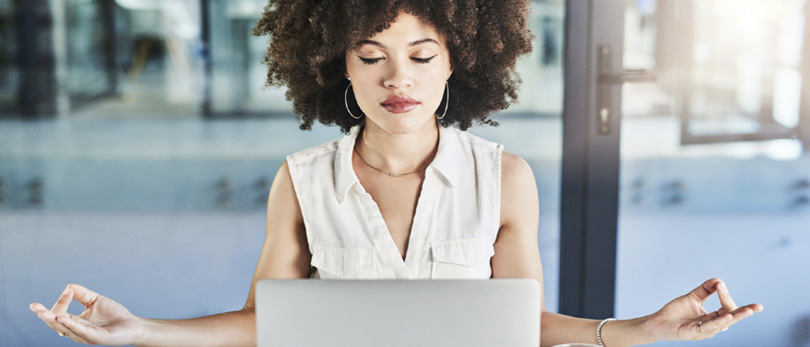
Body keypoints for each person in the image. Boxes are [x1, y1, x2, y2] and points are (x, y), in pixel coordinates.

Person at [29, 1, 763, 346]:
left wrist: (637, 329)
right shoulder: (302, 180)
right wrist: (140, 331)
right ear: (338, 64)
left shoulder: (505, 178)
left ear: (457, 64)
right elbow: (266, 323)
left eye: (421, 54)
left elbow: (522, 324)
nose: (397, 77)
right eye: (371, 53)